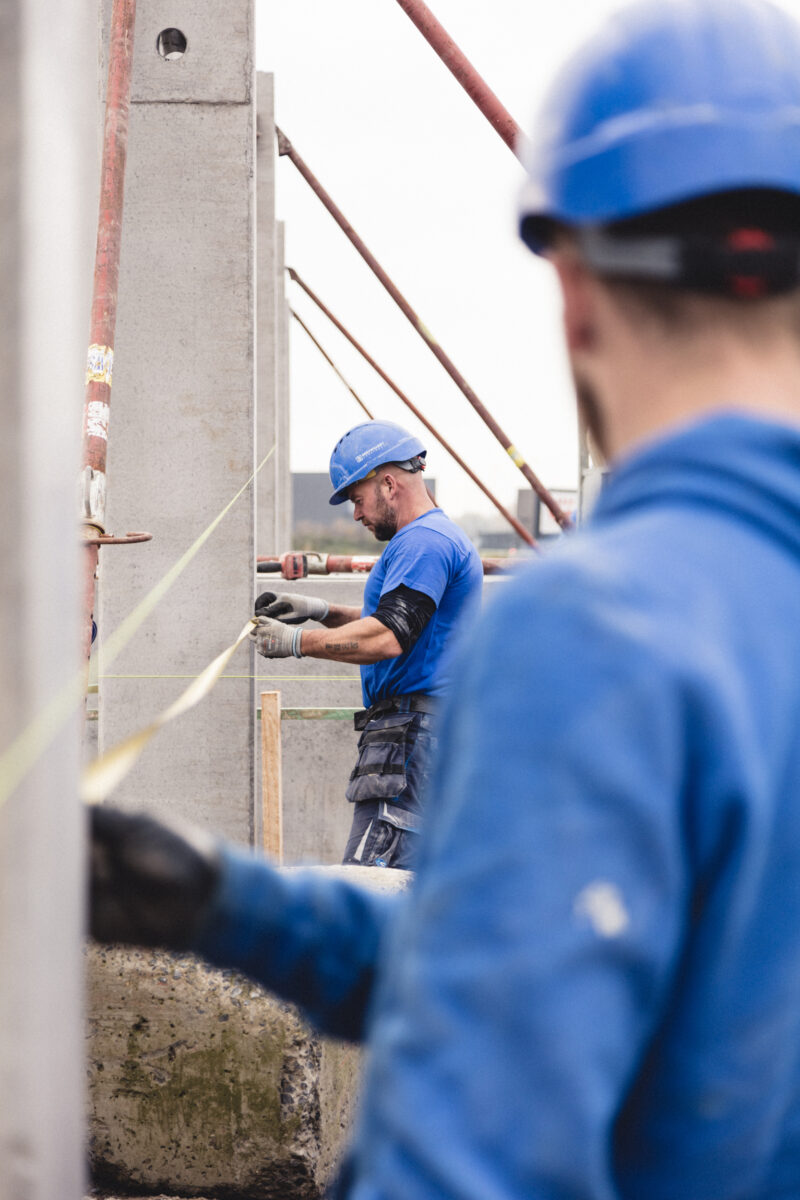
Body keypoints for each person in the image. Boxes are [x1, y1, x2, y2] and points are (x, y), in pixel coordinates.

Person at [90, 1, 800, 1195]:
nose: (359, 506)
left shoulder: (596, 630)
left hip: (409, 733)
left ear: (574, 293)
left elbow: (481, 1110)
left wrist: (300, 636)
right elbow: (515, 955)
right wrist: (225, 903)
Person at [251, 419, 483, 867]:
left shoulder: (424, 543)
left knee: (370, 882)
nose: (356, 515)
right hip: (427, 736)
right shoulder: (434, 538)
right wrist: (321, 610)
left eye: (357, 499)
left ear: (390, 483)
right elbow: (410, 623)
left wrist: (297, 641)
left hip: (410, 739)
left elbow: (390, 635)